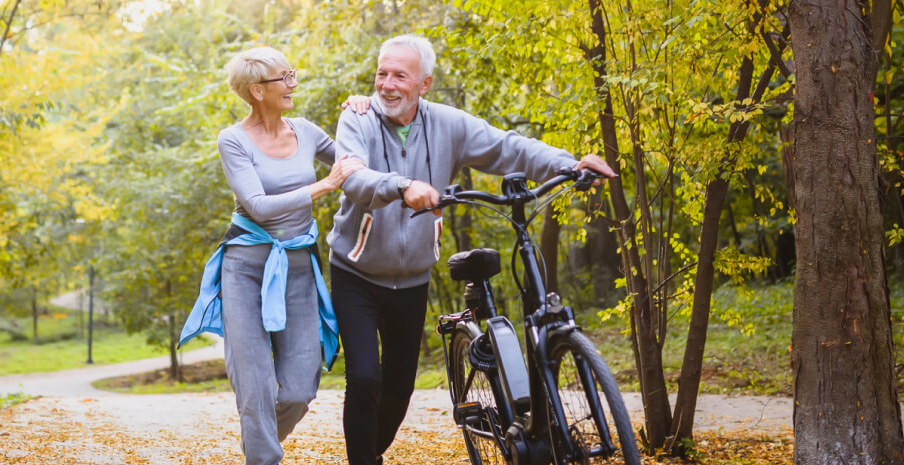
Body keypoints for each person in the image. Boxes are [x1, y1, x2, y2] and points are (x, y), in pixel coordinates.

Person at [326, 34, 617, 465]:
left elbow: (506, 146)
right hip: (357, 270)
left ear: (423, 84)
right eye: (381, 74)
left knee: (399, 387)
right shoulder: (359, 120)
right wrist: (402, 186)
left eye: (399, 76)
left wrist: (567, 164)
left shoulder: (448, 123)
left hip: (412, 278)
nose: (387, 84)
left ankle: (368, 454)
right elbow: (352, 177)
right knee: (366, 376)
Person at [178, 46, 365, 465]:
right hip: (245, 269)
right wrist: (323, 186)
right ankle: (263, 458)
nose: (292, 85)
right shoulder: (233, 140)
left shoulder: (306, 131)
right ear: (257, 90)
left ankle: (258, 444)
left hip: (297, 267)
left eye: (291, 75)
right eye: (285, 78)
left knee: (300, 389)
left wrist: (361, 113)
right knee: (256, 384)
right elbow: (259, 206)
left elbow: (357, 162)